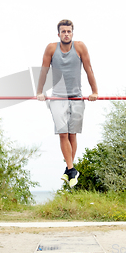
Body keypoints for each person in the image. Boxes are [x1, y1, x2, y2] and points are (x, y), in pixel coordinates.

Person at [36, 19, 98, 188]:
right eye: (63, 31)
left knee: (72, 134)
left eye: (69, 31)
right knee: (63, 133)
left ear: (72, 33)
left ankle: (69, 170)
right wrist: (40, 91)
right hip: (58, 97)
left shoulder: (80, 47)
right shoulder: (51, 48)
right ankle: (71, 169)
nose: (66, 34)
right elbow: (44, 70)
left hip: (76, 96)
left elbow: (88, 69)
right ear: (58, 34)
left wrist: (94, 92)